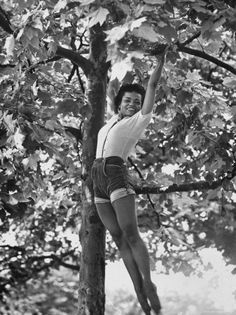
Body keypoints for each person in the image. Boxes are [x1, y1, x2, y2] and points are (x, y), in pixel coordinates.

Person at [91, 50, 167, 315]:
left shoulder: (138, 120)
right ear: (119, 103)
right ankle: (138, 291)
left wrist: (160, 60)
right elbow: (112, 84)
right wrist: (119, 51)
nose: (133, 103)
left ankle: (148, 283)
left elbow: (153, 85)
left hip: (115, 173)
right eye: (128, 100)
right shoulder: (111, 121)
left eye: (137, 100)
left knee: (131, 234)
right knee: (118, 237)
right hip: (97, 178)